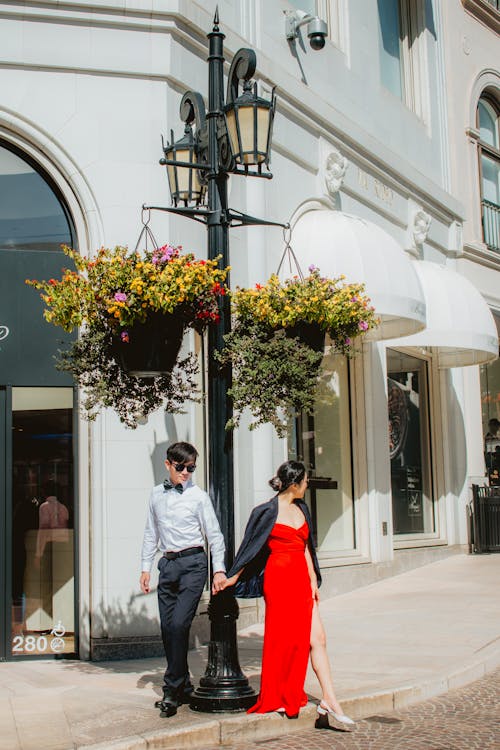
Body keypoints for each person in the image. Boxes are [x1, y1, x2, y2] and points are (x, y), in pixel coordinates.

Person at [216, 460, 354, 729]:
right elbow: (250, 547)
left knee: (318, 639)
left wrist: (313, 580)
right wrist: (231, 577)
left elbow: (306, 547)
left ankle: (329, 699)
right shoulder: (266, 511)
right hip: (278, 581)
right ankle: (279, 694)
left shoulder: (302, 507)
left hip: (302, 580)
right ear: (294, 484)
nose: (307, 485)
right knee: (282, 640)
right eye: (304, 481)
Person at [140, 441, 227, 717]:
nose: (186, 473)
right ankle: (183, 684)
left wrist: (219, 570)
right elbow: (150, 533)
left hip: (193, 564)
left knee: (179, 624)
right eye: (181, 467)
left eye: (191, 468)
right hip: (168, 565)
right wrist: (145, 567)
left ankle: (171, 689)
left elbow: (214, 536)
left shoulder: (198, 497)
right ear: (168, 465)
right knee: (168, 628)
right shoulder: (156, 495)